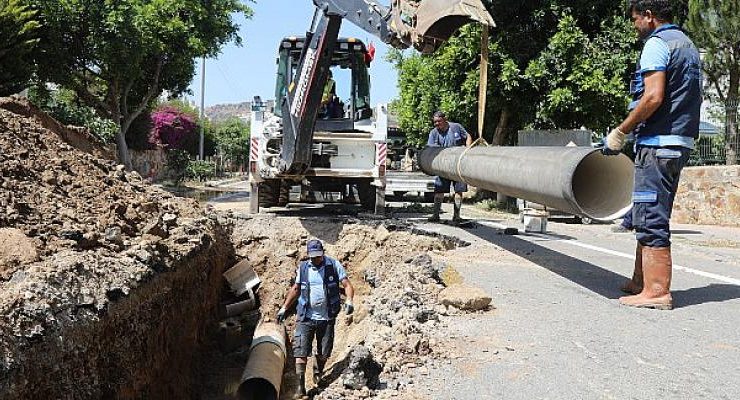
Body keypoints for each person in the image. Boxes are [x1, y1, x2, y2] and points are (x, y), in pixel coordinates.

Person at [603, 0, 701, 310]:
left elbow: (654, 96)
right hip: (679, 142)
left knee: (650, 215)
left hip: (658, 143)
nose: (634, 26)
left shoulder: (657, 44)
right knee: (647, 212)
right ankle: (640, 281)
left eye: (635, 19)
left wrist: (621, 131)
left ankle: (657, 292)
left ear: (649, 16)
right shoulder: (686, 44)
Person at [276, 239, 355, 398]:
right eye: (312, 256)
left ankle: (318, 371)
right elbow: (296, 288)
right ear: (308, 255)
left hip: (327, 318)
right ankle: (300, 387)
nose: (315, 259)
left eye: (318, 256)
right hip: (306, 316)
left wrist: (349, 301)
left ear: (323, 253)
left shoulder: (333, 265)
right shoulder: (304, 268)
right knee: (300, 351)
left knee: (324, 351)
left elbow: (347, 285)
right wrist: (284, 307)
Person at [426, 111, 473, 223]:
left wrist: (468, 149)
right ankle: (436, 215)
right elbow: (430, 146)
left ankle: (456, 216)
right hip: (443, 166)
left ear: (445, 119)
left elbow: (468, 136)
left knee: (459, 190)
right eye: (435, 122)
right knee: (439, 190)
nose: (437, 124)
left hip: (458, 165)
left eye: (439, 121)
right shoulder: (434, 133)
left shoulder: (456, 127)